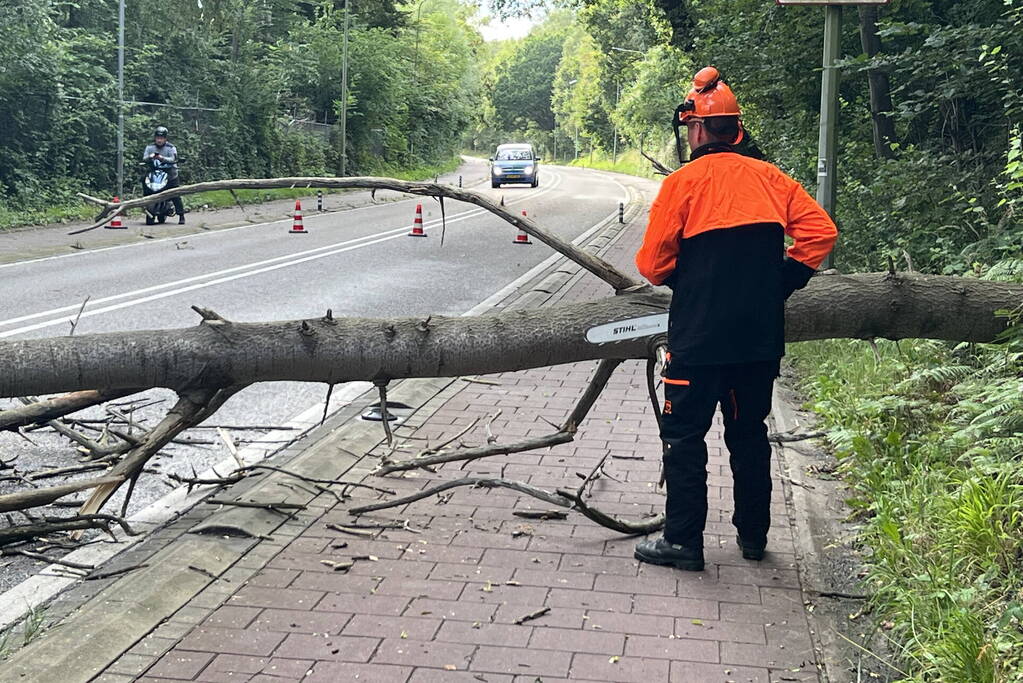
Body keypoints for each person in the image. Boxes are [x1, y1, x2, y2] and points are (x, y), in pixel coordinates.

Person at [633, 67, 838, 572]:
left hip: (698, 338)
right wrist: (782, 281)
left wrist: (689, 276)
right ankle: (752, 536)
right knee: (748, 435)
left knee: (684, 438)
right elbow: (821, 232)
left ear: (697, 129)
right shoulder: (771, 179)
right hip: (757, 340)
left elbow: (652, 265)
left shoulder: (682, 184)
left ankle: (683, 542)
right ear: (736, 128)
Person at [142, 125, 185, 224]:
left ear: (165, 138)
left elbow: (173, 159)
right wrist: (150, 157)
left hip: (169, 174)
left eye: (161, 138)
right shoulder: (150, 147)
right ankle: (146, 204)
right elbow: (144, 158)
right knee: (144, 180)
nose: (159, 140)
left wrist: (162, 158)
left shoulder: (171, 148)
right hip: (154, 173)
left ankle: (181, 214)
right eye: (157, 138)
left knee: (175, 193)